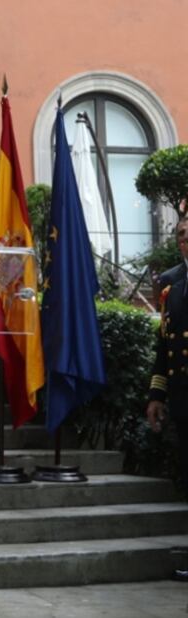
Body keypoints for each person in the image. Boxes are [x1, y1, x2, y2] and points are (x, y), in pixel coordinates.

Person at [147, 217, 188, 581]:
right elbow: (166, 344)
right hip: (183, 399)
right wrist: (157, 393)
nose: (186, 239)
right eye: (181, 234)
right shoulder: (171, 284)